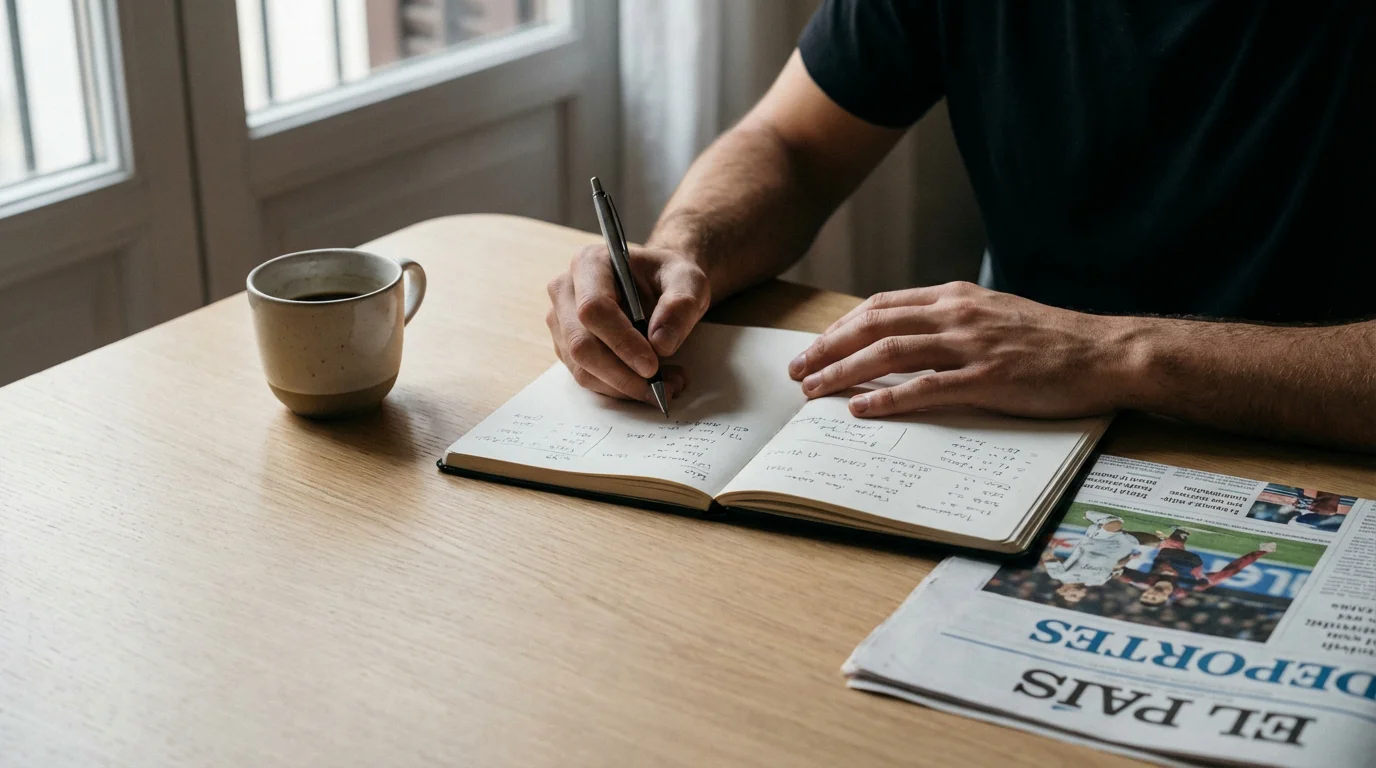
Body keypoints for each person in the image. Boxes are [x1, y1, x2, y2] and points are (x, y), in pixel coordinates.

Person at [545, 1, 1376, 451]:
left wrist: (1116, 355)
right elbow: (791, 145)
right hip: (1003, 430)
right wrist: (685, 251)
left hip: (1306, 445)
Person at [1118, 528, 1278, 607]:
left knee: (1164, 548)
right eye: (1154, 599)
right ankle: (1263, 550)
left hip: (1167, 553)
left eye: (1146, 596)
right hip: (1191, 563)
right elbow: (1226, 573)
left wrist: (1127, 559)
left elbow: (1117, 572)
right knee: (1227, 574)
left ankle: (1175, 535)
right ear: (1164, 599)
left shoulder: (1144, 581)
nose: (1151, 595)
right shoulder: (1186, 588)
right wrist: (1260, 552)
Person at [1041, 511, 1158, 604]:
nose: (1080, 594)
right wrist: (1130, 558)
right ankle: (1116, 529)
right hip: (1121, 546)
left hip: (1096, 541)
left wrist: (1050, 549)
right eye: (1079, 597)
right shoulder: (1098, 581)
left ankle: (1090, 515)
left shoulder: (1059, 574)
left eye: (1073, 595)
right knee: (1156, 541)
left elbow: (1048, 556)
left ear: (1061, 590)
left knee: (1116, 523)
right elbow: (1116, 566)